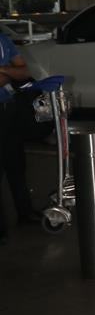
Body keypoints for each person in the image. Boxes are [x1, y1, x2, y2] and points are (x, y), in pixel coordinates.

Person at [0, 31, 38, 240]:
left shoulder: (3, 39)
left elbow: (23, 72)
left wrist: (4, 71)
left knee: (16, 163)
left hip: (9, 108)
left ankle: (25, 213)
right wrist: (9, 72)